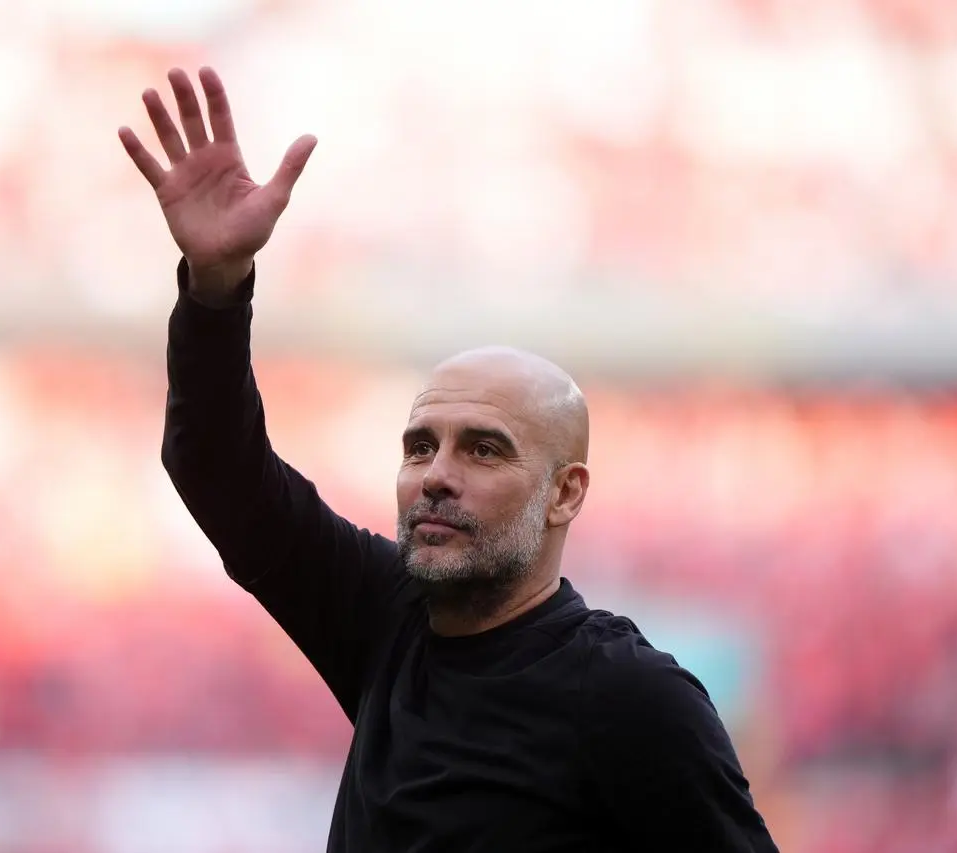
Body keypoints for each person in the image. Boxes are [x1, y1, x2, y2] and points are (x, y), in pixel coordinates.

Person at [119, 66, 780, 853]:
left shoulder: (629, 698)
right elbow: (221, 473)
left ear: (564, 492)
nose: (435, 472)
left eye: (483, 448)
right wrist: (217, 287)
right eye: (419, 445)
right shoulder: (384, 620)